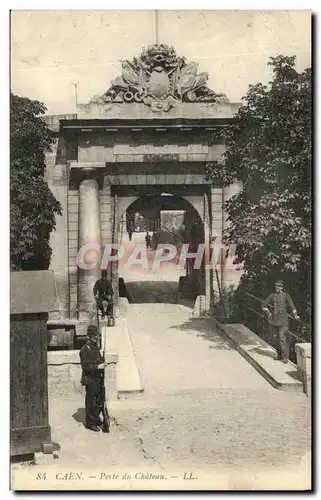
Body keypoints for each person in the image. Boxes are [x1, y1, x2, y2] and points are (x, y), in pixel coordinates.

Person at [262, 280, 300, 363]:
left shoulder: (286, 295)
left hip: (283, 321)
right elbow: (263, 305)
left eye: (279, 286)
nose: (277, 288)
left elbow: (292, 305)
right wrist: (269, 313)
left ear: (282, 287)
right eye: (276, 286)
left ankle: (285, 357)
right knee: (275, 338)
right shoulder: (272, 295)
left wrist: (295, 315)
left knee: (282, 338)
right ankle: (279, 354)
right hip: (274, 320)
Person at [79, 325, 105, 432]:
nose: (96, 339)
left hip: (98, 378)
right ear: (89, 337)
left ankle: (96, 418)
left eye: (97, 337)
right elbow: (85, 366)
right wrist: (98, 367)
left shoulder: (95, 347)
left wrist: (102, 361)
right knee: (91, 401)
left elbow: (97, 359)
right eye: (94, 337)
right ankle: (90, 423)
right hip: (90, 379)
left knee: (99, 399)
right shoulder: (85, 349)